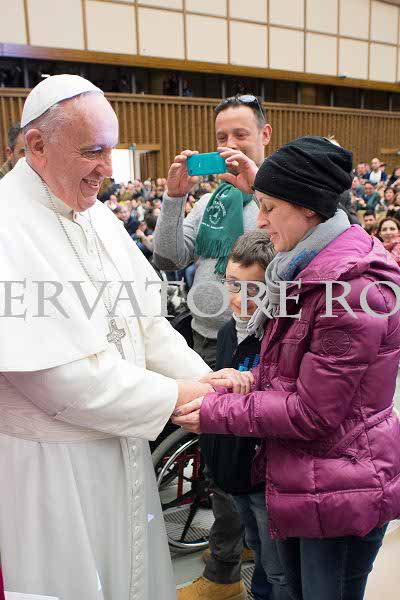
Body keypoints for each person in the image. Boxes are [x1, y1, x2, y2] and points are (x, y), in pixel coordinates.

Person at [0, 74, 241, 600]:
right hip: (54, 469)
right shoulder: (6, 225)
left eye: (110, 150)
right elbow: (61, 381)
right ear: (37, 145)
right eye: (93, 152)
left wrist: (208, 381)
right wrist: (183, 397)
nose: (108, 169)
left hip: (125, 445)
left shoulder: (98, 217)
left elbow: (147, 326)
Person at [174, 136, 400, 600]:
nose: (259, 220)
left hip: (341, 486)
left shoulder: (350, 288)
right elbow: (294, 371)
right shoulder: (308, 268)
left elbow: (315, 411)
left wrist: (217, 411)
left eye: (269, 207)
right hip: (310, 477)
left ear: (309, 209)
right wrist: (241, 383)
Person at [154, 94, 272, 600]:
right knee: (218, 452)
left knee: (236, 453)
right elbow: (168, 255)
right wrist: (174, 198)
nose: (228, 146)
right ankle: (236, 546)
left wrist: (259, 192)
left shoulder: (276, 198)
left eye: (240, 135)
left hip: (256, 342)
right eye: (221, 137)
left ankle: (224, 570)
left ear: (264, 135)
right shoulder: (212, 200)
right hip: (205, 338)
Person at [200, 230, 286, 600]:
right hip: (232, 470)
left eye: (254, 289)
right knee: (254, 542)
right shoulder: (226, 334)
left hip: (264, 475)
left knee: (277, 568)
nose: (240, 298)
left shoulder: (278, 338)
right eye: (233, 284)